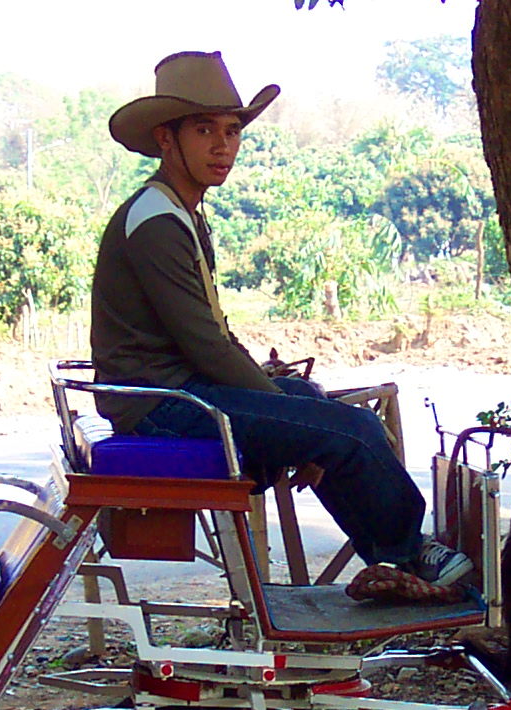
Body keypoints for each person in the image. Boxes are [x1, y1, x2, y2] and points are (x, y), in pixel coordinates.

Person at [88, 50, 473, 601]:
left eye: (231, 131)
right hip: (163, 407)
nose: (223, 146)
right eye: (204, 131)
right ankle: (411, 555)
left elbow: (213, 333)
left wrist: (291, 404)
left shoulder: (179, 210)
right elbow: (208, 345)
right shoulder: (155, 221)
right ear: (166, 139)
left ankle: (391, 557)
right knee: (350, 430)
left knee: (317, 403)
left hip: (179, 391)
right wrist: (293, 415)